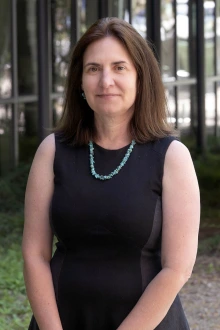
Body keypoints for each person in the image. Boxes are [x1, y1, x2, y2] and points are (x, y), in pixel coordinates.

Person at [22, 17, 200, 330]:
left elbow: (177, 269)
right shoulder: (52, 151)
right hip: (61, 322)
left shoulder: (172, 157)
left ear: (140, 78)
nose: (106, 81)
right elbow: (34, 254)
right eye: (94, 69)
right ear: (80, 80)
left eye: (119, 67)